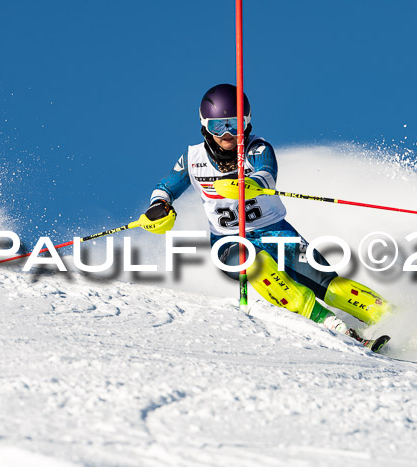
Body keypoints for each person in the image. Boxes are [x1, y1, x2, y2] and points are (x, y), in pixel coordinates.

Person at [141, 84, 393, 351]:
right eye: (218, 126)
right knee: (255, 265)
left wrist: (247, 183)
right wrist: (159, 206)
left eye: (234, 124)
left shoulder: (257, 149)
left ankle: (394, 319)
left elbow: (266, 174)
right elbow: (165, 187)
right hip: (229, 241)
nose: (227, 134)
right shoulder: (192, 159)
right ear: (204, 126)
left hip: (276, 231)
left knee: (327, 284)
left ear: (247, 123)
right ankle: (328, 322)